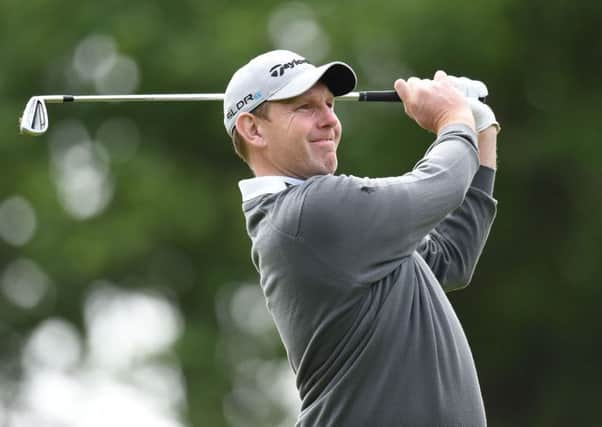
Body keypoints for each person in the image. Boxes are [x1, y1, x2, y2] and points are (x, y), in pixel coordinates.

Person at [223, 49, 499, 427]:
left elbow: (452, 257)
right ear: (253, 129)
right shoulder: (310, 212)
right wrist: (452, 118)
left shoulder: (344, 232)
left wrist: (481, 128)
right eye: (305, 108)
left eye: (330, 104)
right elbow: (443, 182)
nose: (330, 121)